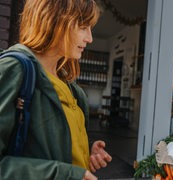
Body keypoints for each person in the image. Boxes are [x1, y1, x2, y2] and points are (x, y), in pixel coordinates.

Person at [0, 0, 112, 179]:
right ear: (54, 21)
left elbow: (43, 145)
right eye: (83, 27)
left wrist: (84, 152)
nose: (89, 38)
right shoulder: (13, 70)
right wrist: (65, 174)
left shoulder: (70, 86)